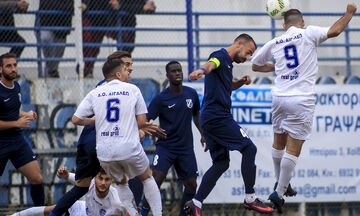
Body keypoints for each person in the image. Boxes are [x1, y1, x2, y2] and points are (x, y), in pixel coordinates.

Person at [251, 3, 357, 213]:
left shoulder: (276, 41)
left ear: (283, 26)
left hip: (279, 97)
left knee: (278, 142)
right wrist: (349, 13)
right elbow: (335, 31)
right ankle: (279, 193)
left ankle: (280, 182)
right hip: (301, 99)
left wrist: (274, 67)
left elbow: (255, 64)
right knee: (293, 148)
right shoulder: (308, 33)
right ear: (302, 22)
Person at [183, 34, 274, 215]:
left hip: (210, 118)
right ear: (239, 44)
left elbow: (226, 85)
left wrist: (239, 82)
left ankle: (196, 202)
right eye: (248, 52)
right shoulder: (220, 56)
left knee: (221, 163)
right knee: (249, 148)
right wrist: (202, 70)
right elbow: (211, 64)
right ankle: (250, 198)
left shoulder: (228, 64)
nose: (248, 58)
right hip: (218, 117)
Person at [49, 50, 147, 216]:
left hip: (87, 142)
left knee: (81, 188)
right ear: (117, 68)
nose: (130, 69)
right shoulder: (121, 89)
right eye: (127, 65)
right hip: (105, 141)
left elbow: (81, 117)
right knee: (136, 173)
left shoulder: (101, 86)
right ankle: (135, 213)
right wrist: (138, 129)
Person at [71, 58, 165, 215]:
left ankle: (133, 214)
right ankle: (158, 214)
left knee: (121, 183)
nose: (129, 72)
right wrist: (139, 126)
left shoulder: (95, 92)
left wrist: (94, 121)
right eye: (126, 70)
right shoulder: (132, 89)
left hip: (104, 152)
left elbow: (76, 119)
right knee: (147, 178)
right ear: (118, 74)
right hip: (128, 147)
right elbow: (142, 122)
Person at [140, 61, 205, 216]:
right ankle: (142, 210)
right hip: (166, 147)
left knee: (191, 185)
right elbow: (145, 121)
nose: (177, 73)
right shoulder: (161, 99)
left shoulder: (191, 94)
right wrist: (153, 131)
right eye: (173, 71)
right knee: (155, 181)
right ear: (167, 75)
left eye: (179, 70)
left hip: (185, 148)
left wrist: (203, 134)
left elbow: (196, 114)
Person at [0, 52, 45, 206]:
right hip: (1, 142)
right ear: (0, 69)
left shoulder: (16, 86)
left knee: (37, 178)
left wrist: (27, 114)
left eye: (15, 65)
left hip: (17, 140)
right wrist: (16, 123)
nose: (13, 69)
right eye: (8, 66)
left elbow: (13, 110)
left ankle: (41, 212)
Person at [11, 166, 129, 216]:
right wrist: (63, 173)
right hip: (81, 210)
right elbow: (64, 176)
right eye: (100, 178)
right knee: (52, 210)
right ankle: (16, 215)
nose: (103, 183)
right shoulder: (88, 183)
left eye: (107, 179)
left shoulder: (116, 200)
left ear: (111, 180)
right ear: (95, 178)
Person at [81, 0, 156, 78]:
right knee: (91, 44)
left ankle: (122, 71)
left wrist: (146, 6)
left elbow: (143, 6)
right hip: (99, 19)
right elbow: (103, 5)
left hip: (124, 21)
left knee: (127, 45)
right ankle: (88, 70)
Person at [38, 0, 74, 78]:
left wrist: (58, 6)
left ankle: (53, 71)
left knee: (59, 52)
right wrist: (62, 6)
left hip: (62, 26)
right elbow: (46, 5)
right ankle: (51, 73)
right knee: (46, 40)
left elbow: (71, 7)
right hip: (46, 23)